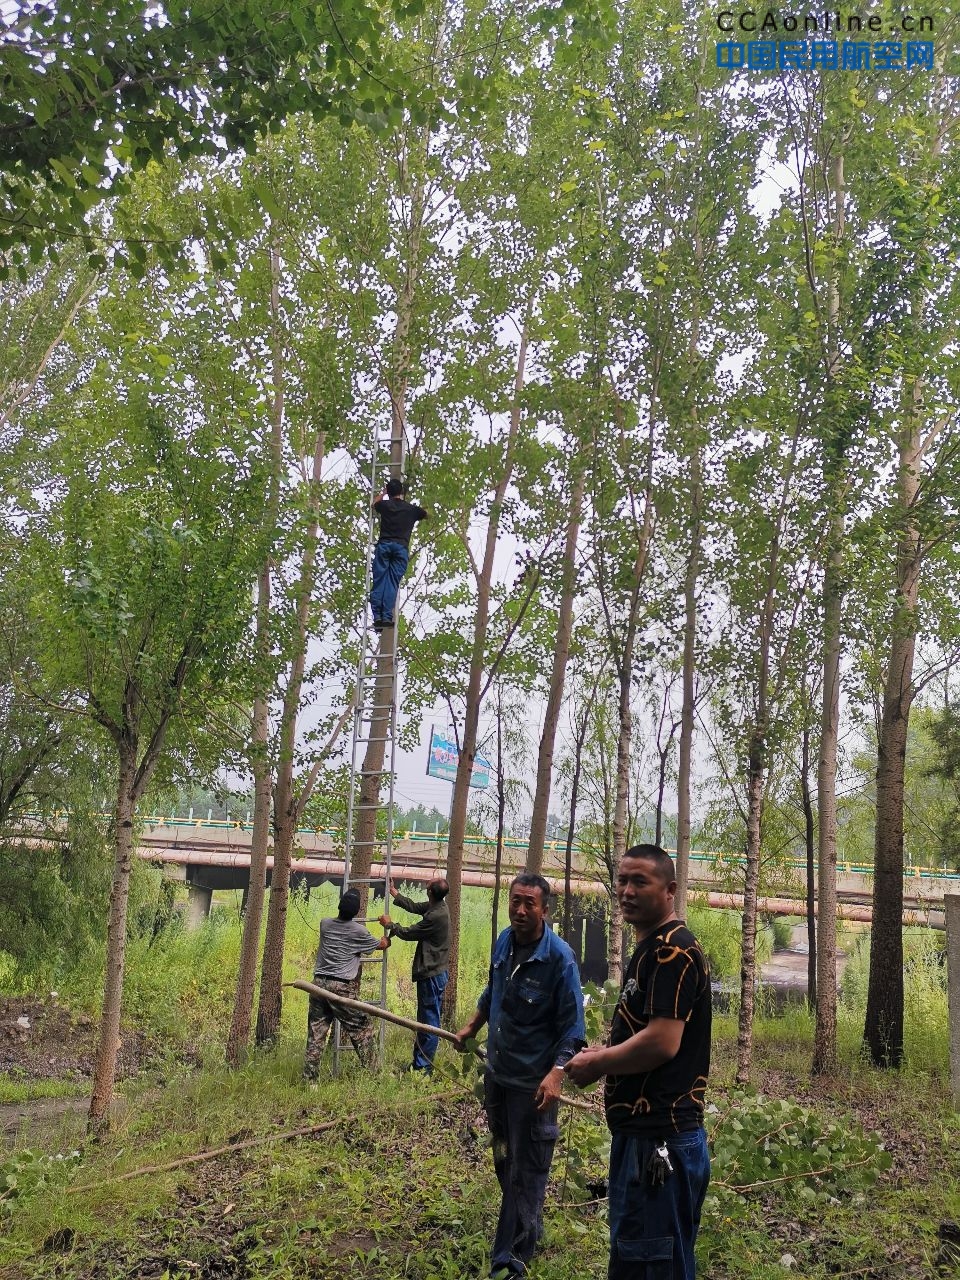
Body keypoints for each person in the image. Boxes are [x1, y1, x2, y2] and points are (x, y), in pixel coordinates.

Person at [565, 845, 712, 1280]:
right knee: (643, 1257)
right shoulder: (651, 948)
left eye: (639, 882)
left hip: (660, 1142)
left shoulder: (674, 951)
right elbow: (644, 1032)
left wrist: (599, 1065)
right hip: (644, 1138)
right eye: (622, 882)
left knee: (650, 1262)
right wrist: (602, 1054)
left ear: (669, 890)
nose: (626, 891)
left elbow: (662, 1043)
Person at [454, 873, 585, 1280]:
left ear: (546, 910)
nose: (521, 910)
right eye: (515, 901)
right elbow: (492, 991)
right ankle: (530, 1225)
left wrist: (556, 1074)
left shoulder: (559, 959)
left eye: (530, 903)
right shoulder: (504, 943)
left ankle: (509, 1260)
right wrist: (472, 1027)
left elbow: (573, 1030)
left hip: (534, 1088)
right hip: (499, 1077)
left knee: (524, 1171)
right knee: (505, 1161)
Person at [303, 887, 389, 1078]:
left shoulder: (325, 924)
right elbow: (381, 945)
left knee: (316, 1034)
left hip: (318, 985)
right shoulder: (359, 932)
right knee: (361, 1029)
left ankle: (310, 1080)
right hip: (341, 988)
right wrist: (387, 933)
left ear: (339, 906)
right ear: (357, 912)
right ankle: (376, 1074)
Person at [380, 876, 450, 1074]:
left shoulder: (436, 916)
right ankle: (419, 1064)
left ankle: (423, 1069)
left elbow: (410, 933)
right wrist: (396, 894)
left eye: (427, 886)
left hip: (431, 975)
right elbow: (415, 907)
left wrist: (390, 925)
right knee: (426, 1020)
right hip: (435, 972)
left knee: (429, 1022)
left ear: (430, 892)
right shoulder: (437, 906)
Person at [369, 477, 428, 630]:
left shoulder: (385, 505)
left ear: (389, 492)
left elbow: (374, 504)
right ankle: (386, 616)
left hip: (385, 546)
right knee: (391, 583)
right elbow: (425, 514)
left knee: (380, 581)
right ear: (401, 492)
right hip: (400, 548)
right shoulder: (411, 509)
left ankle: (378, 617)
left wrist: (383, 493)